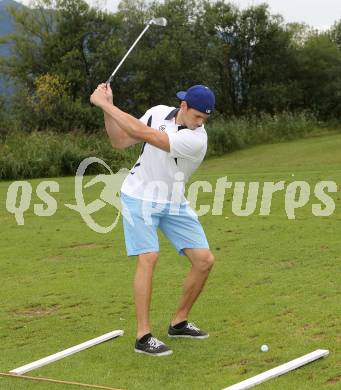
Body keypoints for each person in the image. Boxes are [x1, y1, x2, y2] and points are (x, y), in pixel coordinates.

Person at [90, 84, 216, 357]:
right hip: (139, 195)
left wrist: (104, 104)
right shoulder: (158, 112)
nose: (200, 123)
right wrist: (107, 109)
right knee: (148, 257)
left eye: (205, 119)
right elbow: (120, 140)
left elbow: (141, 132)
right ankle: (143, 336)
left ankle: (179, 322)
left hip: (174, 201)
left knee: (204, 261)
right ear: (183, 107)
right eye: (197, 116)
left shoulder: (196, 140)